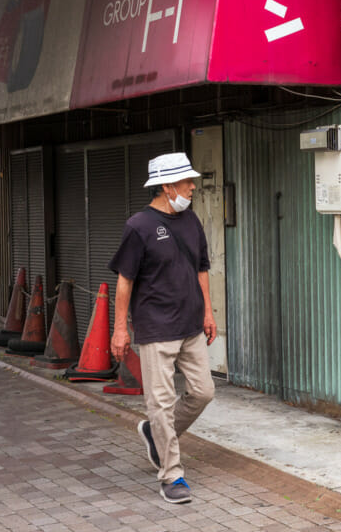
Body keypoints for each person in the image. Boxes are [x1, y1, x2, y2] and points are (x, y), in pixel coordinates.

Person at [109, 152, 216, 504]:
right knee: (161, 403)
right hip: (156, 327)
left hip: (190, 325)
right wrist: (120, 329)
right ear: (168, 187)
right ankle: (171, 476)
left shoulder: (191, 221)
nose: (192, 187)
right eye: (187, 182)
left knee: (203, 392)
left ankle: (156, 437)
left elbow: (201, 267)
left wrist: (208, 313)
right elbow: (125, 280)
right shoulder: (138, 226)